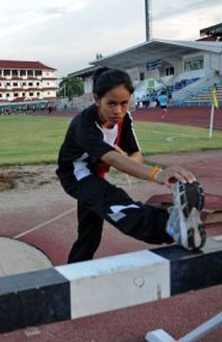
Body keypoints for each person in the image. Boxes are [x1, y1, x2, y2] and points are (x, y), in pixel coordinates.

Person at [56, 67, 205, 264]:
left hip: (97, 174)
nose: (118, 111)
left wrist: (130, 164)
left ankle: (74, 272)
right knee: (115, 202)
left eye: (124, 103)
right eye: (111, 104)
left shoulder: (124, 119)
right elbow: (113, 159)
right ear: (96, 99)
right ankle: (170, 226)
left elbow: (136, 155)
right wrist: (157, 174)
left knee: (90, 232)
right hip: (76, 174)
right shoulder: (84, 123)